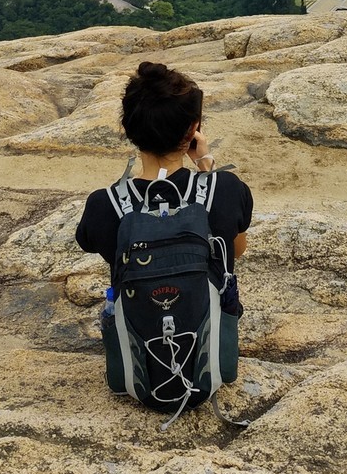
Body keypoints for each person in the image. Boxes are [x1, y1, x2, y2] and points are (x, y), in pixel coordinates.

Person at [75, 60, 253, 310]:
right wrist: (205, 166)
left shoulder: (103, 204)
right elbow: (235, 250)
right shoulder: (226, 189)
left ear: (128, 128)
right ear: (193, 130)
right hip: (213, 344)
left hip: (136, 345)